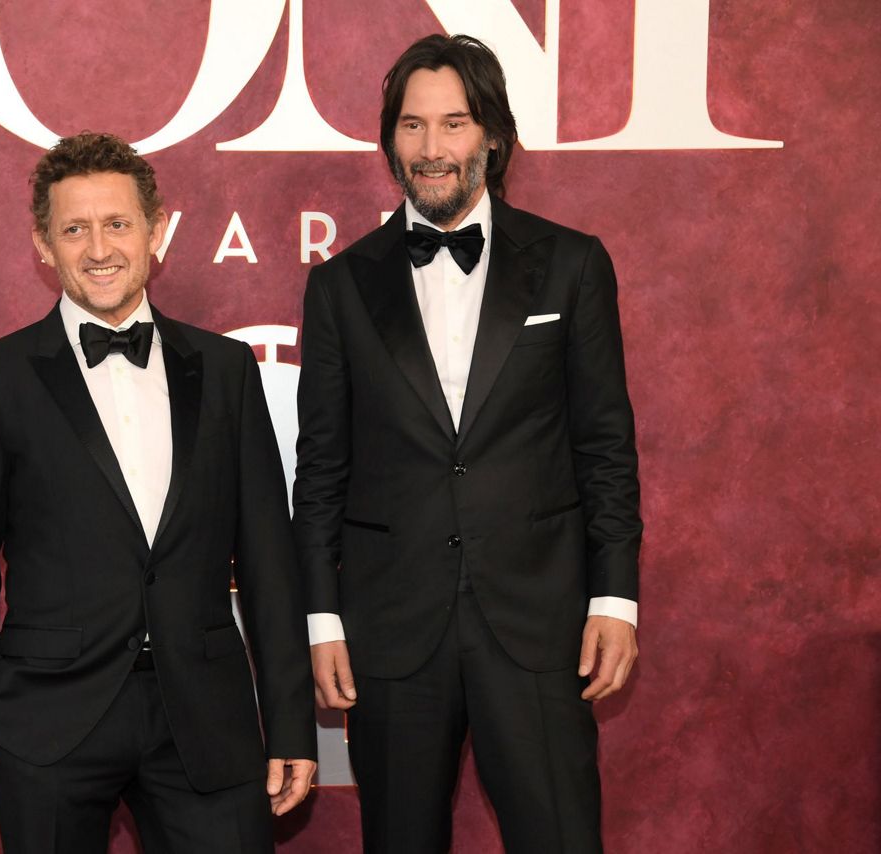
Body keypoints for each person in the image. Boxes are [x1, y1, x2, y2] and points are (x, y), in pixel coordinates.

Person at [292, 34, 642, 853]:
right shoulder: (340, 286)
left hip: (539, 621)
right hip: (392, 629)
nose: (432, 147)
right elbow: (322, 469)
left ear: (493, 134)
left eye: (453, 123)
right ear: (390, 140)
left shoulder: (572, 266)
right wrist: (322, 618)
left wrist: (614, 599)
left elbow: (605, 448)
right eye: (412, 125)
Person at [0, 132, 316, 854]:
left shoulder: (227, 370)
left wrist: (290, 722)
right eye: (75, 229)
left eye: (117, 224)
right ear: (44, 245)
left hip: (206, 719)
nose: (99, 248)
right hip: (48, 723)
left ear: (155, 232)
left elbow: (269, 560)